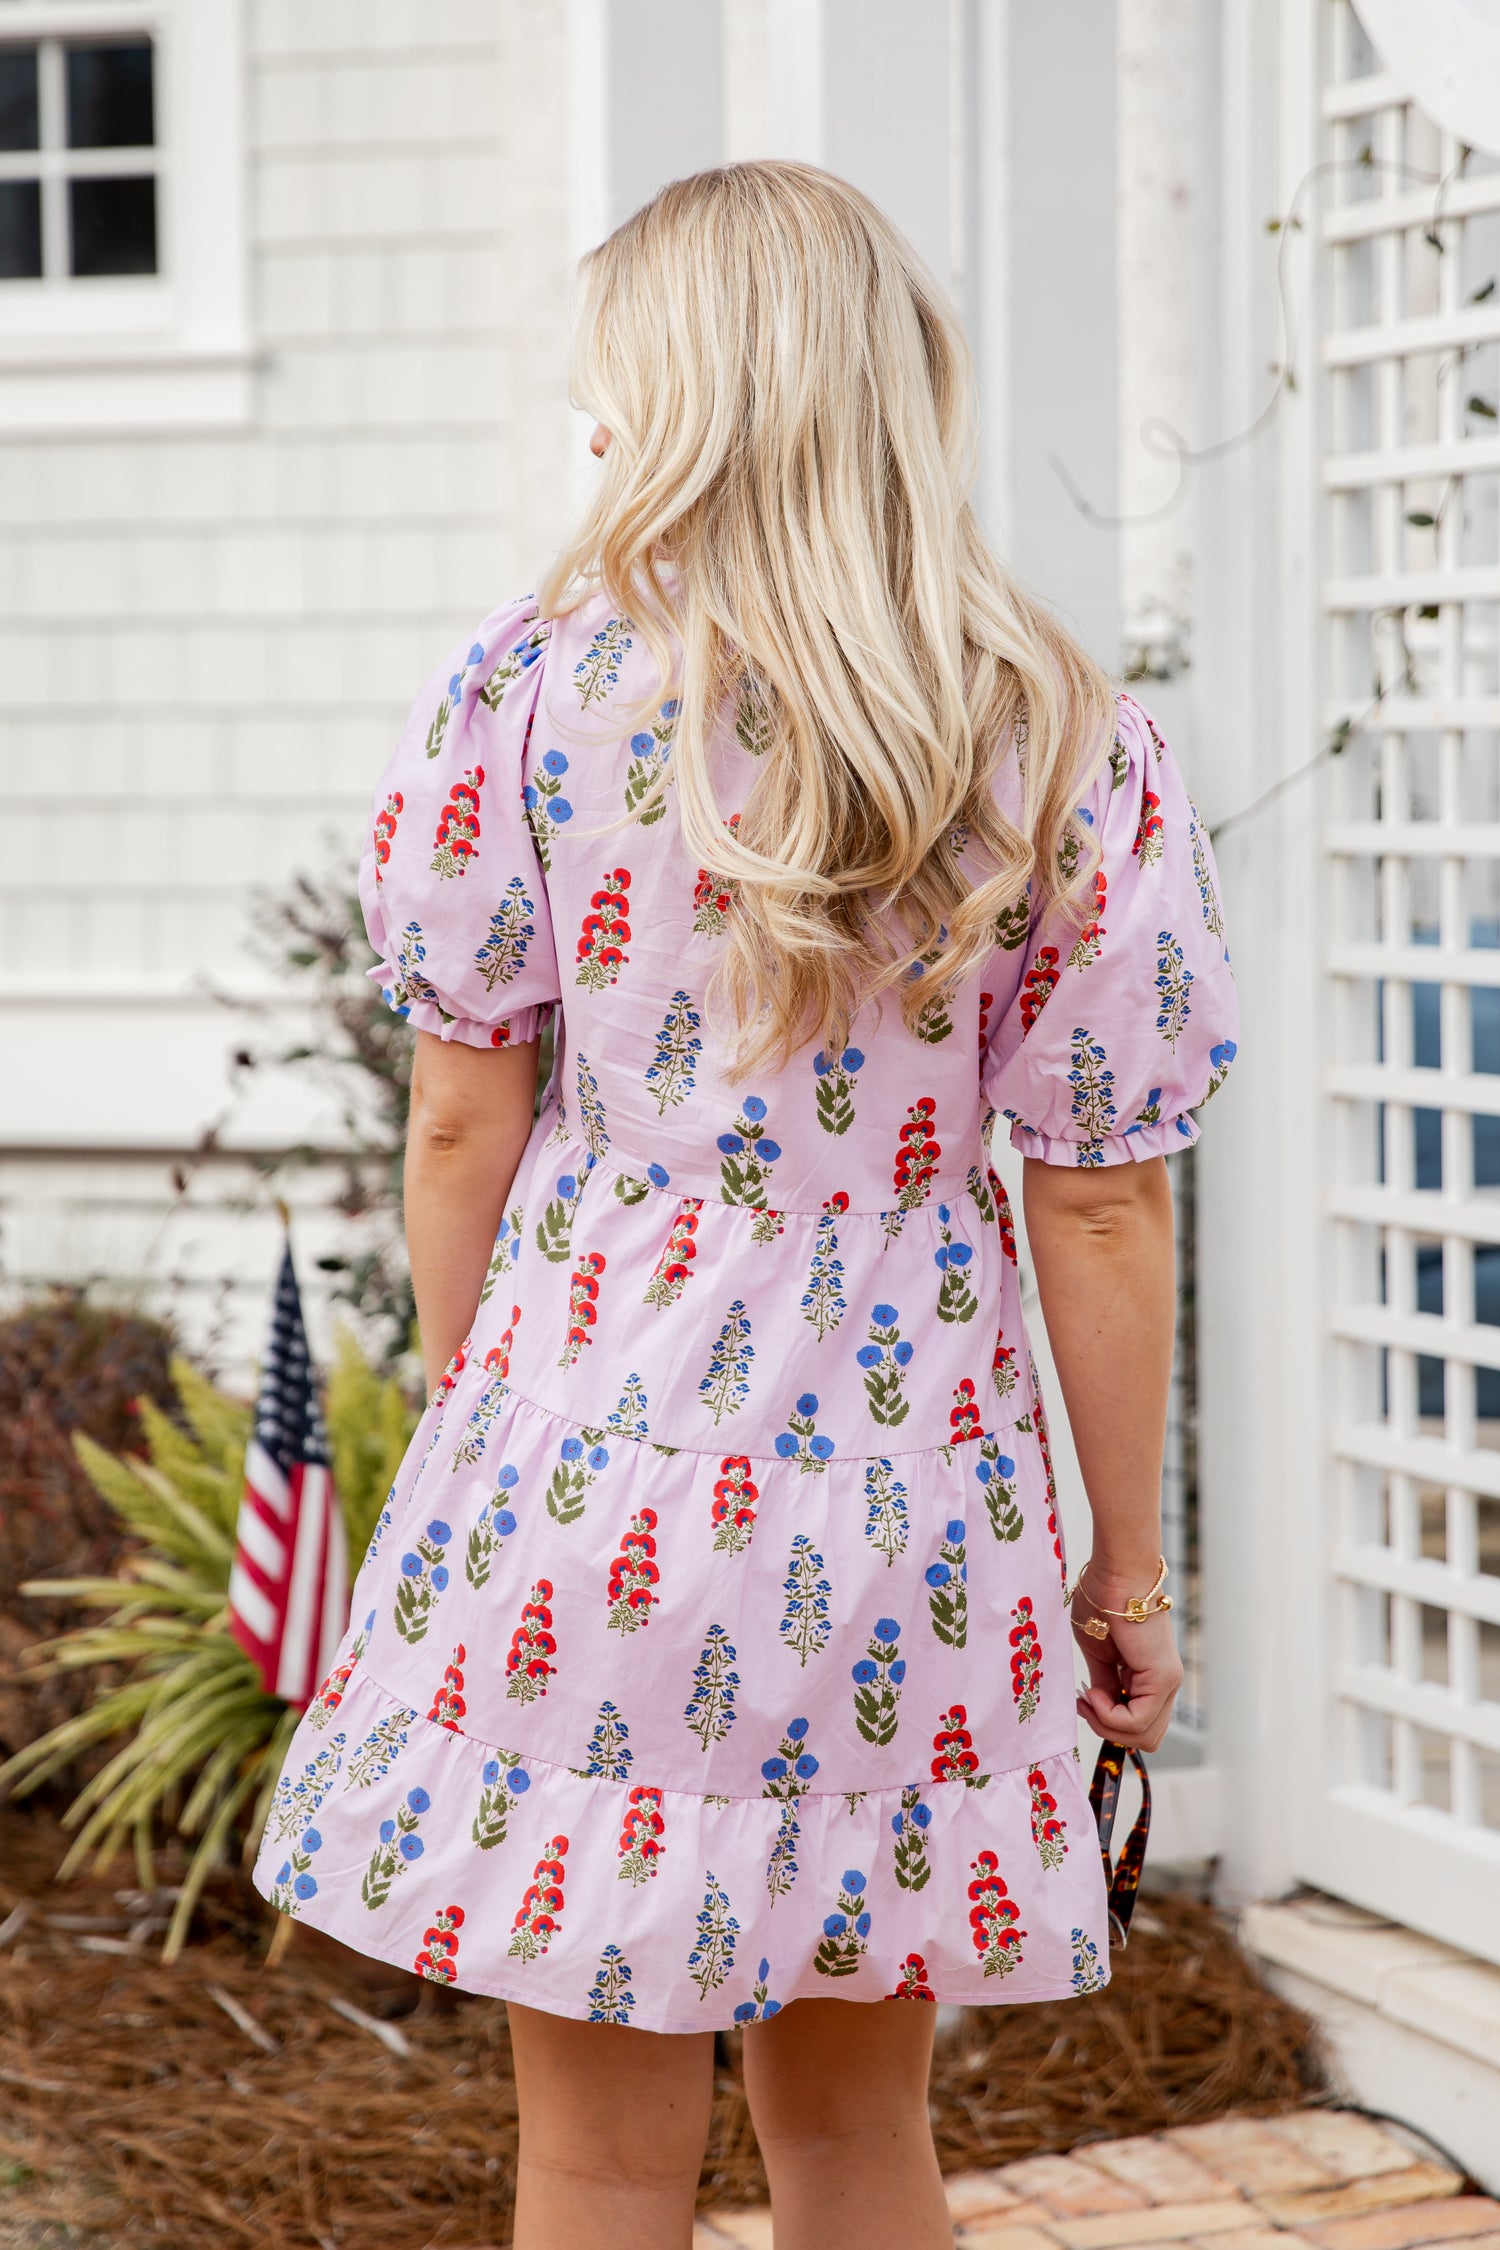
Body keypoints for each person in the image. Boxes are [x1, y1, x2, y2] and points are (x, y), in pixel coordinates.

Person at [255, 160, 1237, 2249]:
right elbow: (1101, 1211)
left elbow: (457, 1123)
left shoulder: (531, 692)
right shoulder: (1055, 732)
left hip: (591, 1462)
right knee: (863, 2144)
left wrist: (477, 1416)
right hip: (905, 1499)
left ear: (685, 399)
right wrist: (1126, 1573)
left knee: (598, 2160)